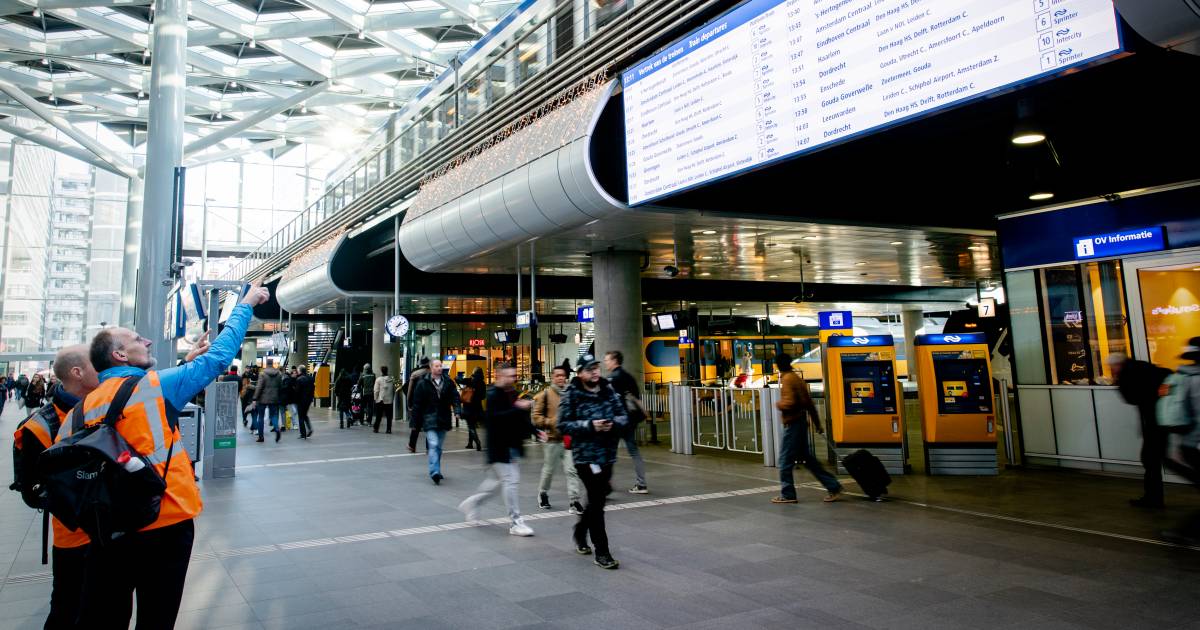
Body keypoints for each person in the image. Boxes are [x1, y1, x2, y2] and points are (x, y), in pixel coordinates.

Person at [68, 279, 268, 629]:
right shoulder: (156, 386)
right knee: (157, 617)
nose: (146, 341)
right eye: (136, 339)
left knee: (106, 617)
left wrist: (186, 363)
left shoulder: (80, 409)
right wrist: (246, 304)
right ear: (119, 355)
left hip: (106, 529)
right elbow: (219, 357)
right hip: (164, 523)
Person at [11, 345, 99, 629]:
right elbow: (33, 491)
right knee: (67, 607)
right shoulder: (40, 425)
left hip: (109, 531)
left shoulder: (103, 406)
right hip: (74, 537)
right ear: (77, 372)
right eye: (94, 363)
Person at [558, 354, 628, 570]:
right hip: (585, 457)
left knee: (599, 497)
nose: (595, 372)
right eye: (589, 369)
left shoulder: (608, 389)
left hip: (607, 455)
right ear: (580, 373)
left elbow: (623, 415)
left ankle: (580, 531)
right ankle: (602, 552)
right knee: (597, 503)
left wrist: (612, 424)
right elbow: (563, 424)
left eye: (596, 367)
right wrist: (590, 425)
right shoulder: (572, 394)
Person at [458, 363, 544, 535]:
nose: (513, 379)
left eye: (514, 376)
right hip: (499, 448)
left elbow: (520, 419)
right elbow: (496, 419)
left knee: (496, 484)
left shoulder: (512, 393)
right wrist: (517, 408)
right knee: (511, 481)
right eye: (509, 376)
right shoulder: (493, 394)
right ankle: (515, 522)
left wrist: (536, 431)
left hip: (511, 446)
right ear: (499, 376)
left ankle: (473, 503)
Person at [770, 352, 843, 504]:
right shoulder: (796, 378)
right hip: (801, 423)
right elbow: (809, 403)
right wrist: (817, 423)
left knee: (785, 461)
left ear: (779, 365)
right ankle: (833, 486)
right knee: (809, 460)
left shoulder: (788, 379)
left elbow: (790, 402)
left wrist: (779, 404)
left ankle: (788, 494)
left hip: (793, 425)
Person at [1108, 352, 1173, 508]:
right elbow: (1167, 374)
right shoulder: (1143, 367)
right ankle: (1153, 497)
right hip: (1163, 419)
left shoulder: (1128, 374)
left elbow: (1130, 398)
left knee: (1151, 459)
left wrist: (1118, 381)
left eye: (1112, 367)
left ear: (1117, 365)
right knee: (1155, 458)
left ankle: (1153, 498)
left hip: (1154, 422)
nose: (1111, 369)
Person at [1162, 339, 1200, 544]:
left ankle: (1184, 532)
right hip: (1193, 447)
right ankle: (1185, 532)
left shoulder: (1178, 377)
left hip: (1181, 447)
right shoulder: (1196, 380)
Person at [533, 365, 584, 513]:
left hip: (568, 439)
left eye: (563, 375)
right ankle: (543, 493)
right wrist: (550, 422)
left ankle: (574, 501)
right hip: (552, 440)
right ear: (552, 377)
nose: (561, 378)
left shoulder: (571, 393)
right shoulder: (545, 394)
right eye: (558, 375)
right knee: (549, 470)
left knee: (572, 470)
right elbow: (536, 417)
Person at [604, 350, 649, 494]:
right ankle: (642, 484)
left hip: (616, 421)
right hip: (629, 421)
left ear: (614, 361)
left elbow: (607, 401)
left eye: (607, 360)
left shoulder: (611, 379)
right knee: (634, 452)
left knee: (609, 453)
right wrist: (644, 412)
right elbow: (636, 398)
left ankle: (605, 485)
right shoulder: (628, 377)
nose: (606, 363)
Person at [410, 359, 460, 484]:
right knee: (433, 444)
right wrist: (415, 422)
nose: (439, 368)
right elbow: (417, 404)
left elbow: (455, 397)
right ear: (431, 368)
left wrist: (457, 410)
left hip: (443, 418)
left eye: (440, 366)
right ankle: (434, 472)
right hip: (429, 418)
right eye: (437, 366)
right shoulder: (423, 383)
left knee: (438, 447)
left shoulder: (448, 382)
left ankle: (436, 468)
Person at [254, 358, 285, 443]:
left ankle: (261, 437)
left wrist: (255, 398)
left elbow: (259, 387)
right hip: (274, 398)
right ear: (273, 364)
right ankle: (277, 428)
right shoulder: (278, 374)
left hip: (262, 399)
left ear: (266, 364)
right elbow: (281, 386)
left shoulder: (262, 373)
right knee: (274, 415)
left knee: (260, 417)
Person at [406, 357, 431, 452]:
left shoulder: (415, 374)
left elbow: (410, 391)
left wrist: (409, 403)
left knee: (416, 425)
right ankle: (429, 447)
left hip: (418, 403)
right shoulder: (433, 373)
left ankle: (412, 445)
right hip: (430, 403)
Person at [461, 368, 485, 451]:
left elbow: (458, 380)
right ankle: (470, 443)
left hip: (469, 407)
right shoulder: (482, 383)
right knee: (472, 425)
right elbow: (483, 396)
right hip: (478, 408)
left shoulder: (471, 381)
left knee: (471, 426)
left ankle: (477, 442)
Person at [373, 365, 395, 433]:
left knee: (378, 415)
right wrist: (392, 398)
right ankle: (388, 429)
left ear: (381, 371)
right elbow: (393, 390)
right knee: (389, 416)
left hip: (381, 400)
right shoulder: (391, 380)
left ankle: (376, 428)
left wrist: (375, 398)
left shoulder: (378, 379)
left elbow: (376, 390)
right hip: (389, 400)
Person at [295, 365, 315, 439]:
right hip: (308, 400)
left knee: (301, 417)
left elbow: (297, 392)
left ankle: (303, 434)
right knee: (305, 415)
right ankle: (309, 428)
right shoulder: (311, 378)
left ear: (300, 371)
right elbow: (313, 389)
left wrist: (296, 400)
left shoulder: (299, 379)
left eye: (298, 370)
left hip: (301, 401)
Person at [359, 363, 376, 428]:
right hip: (371, 393)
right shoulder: (373, 375)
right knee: (370, 408)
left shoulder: (362, 375)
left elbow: (359, 384)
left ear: (364, 369)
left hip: (364, 394)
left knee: (362, 407)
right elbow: (375, 383)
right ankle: (369, 422)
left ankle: (361, 421)